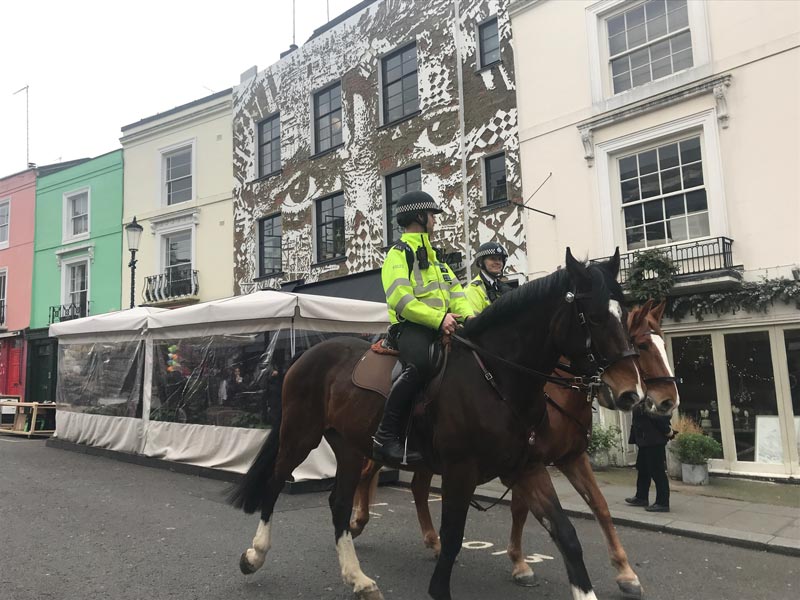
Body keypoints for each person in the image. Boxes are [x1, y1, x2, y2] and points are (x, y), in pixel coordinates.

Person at [373, 190, 475, 466]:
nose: (434, 220)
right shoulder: (398, 254)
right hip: (411, 328)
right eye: (432, 215)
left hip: (444, 325)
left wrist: (473, 321)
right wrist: (439, 319)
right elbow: (401, 300)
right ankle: (385, 437)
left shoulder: (438, 261)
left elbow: (458, 296)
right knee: (420, 364)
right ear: (419, 216)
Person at [625, 403, 673, 512]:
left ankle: (663, 503)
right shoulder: (641, 396)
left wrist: (668, 431)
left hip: (654, 439)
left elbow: (658, 417)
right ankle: (641, 497)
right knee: (643, 469)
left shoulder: (652, 398)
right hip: (644, 439)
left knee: (657, 471)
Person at [464, 241, 514, 313]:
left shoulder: (504, 288)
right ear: (481, 262)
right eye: (493, 258)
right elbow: (475, 321)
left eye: (500, 259)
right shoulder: (472, 289)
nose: (498, 262)